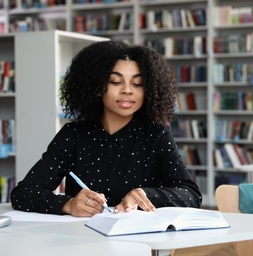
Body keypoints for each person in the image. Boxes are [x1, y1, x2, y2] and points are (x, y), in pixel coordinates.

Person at [10, 41, 202, 217]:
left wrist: (147, 194)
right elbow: (23, 194)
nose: (127, 90)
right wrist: (68, 204)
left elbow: (191, 195)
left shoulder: (156, 134)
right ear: (97, 85)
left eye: (137, 83)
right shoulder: (73, 135)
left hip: (136, 243)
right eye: (116, 82)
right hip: (81, 241)